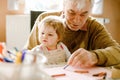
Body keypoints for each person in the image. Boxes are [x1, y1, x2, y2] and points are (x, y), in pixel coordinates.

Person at [24, 0, 120, 68]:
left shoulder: (94, 27)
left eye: (83, 14)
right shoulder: (45, 19)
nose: (77, 20)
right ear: (63, 7)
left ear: (90, 11)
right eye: (71, 13)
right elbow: (27, 53)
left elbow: (117, 52)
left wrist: (95, 56)